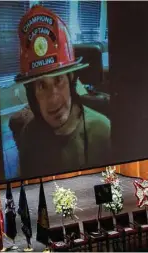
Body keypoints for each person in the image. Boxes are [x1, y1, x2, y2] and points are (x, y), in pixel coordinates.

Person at [14, 5, 111, 178]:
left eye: (58, 80)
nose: (53, 99)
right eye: (42, 86)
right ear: (32, 95)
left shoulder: (103, 131)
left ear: (71, 79)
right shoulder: (29, 136)